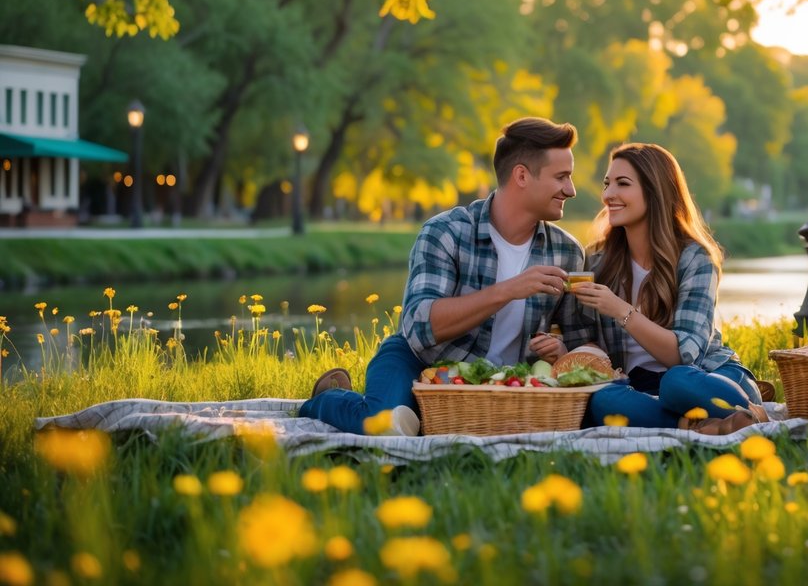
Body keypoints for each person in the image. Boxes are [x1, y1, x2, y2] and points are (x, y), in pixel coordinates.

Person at [298, 117, 591, 435]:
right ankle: (327, 400)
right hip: (418, 361)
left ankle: (413, 420)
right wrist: (509, 289)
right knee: (382, 422)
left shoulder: (567, 251)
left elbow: (579, 345)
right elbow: (421, 327)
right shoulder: (446, 232)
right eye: (561, 177)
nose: (571, 189)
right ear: (521, 175)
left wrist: (561, 351)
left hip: (500, 384)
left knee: (416, 428)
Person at [571, 143, 768, 435]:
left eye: (622, 184)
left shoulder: (695, 258)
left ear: (655, 192)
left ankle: (750, 412)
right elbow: (589, 342)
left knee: (677, 382)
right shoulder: (597, 260)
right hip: (641, 385)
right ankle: (696, 426)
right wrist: (563, 348)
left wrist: (621, 309)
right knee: (603, 399)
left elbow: (682, 356)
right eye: (607, 184)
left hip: (705, 376)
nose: (608, 195)